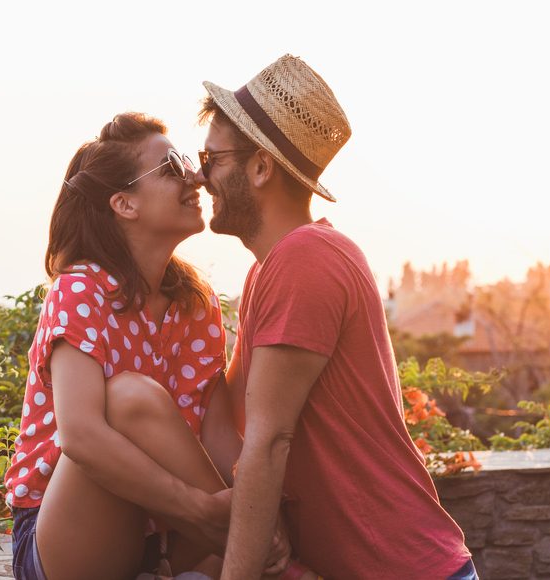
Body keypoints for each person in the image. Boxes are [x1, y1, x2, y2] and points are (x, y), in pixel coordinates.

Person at [195, 55, 478, 580]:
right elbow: (229, 417)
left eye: (211, 158)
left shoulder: (306, 259)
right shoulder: (271, 270)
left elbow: (268, 441)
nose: (199, 173)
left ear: (260, 168)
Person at [4, 112, 293, 580]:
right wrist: (204, 511)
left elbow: (218, 433)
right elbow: (79, 436)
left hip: (162, 539)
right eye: (172, 167)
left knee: (274, 533)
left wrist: (263, 513)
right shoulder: (81, 288)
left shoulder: (194, 305)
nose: (196, 176)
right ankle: (238, 542)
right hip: (66, 542)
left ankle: (237, 546)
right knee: (129, 397)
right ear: (124, 204)